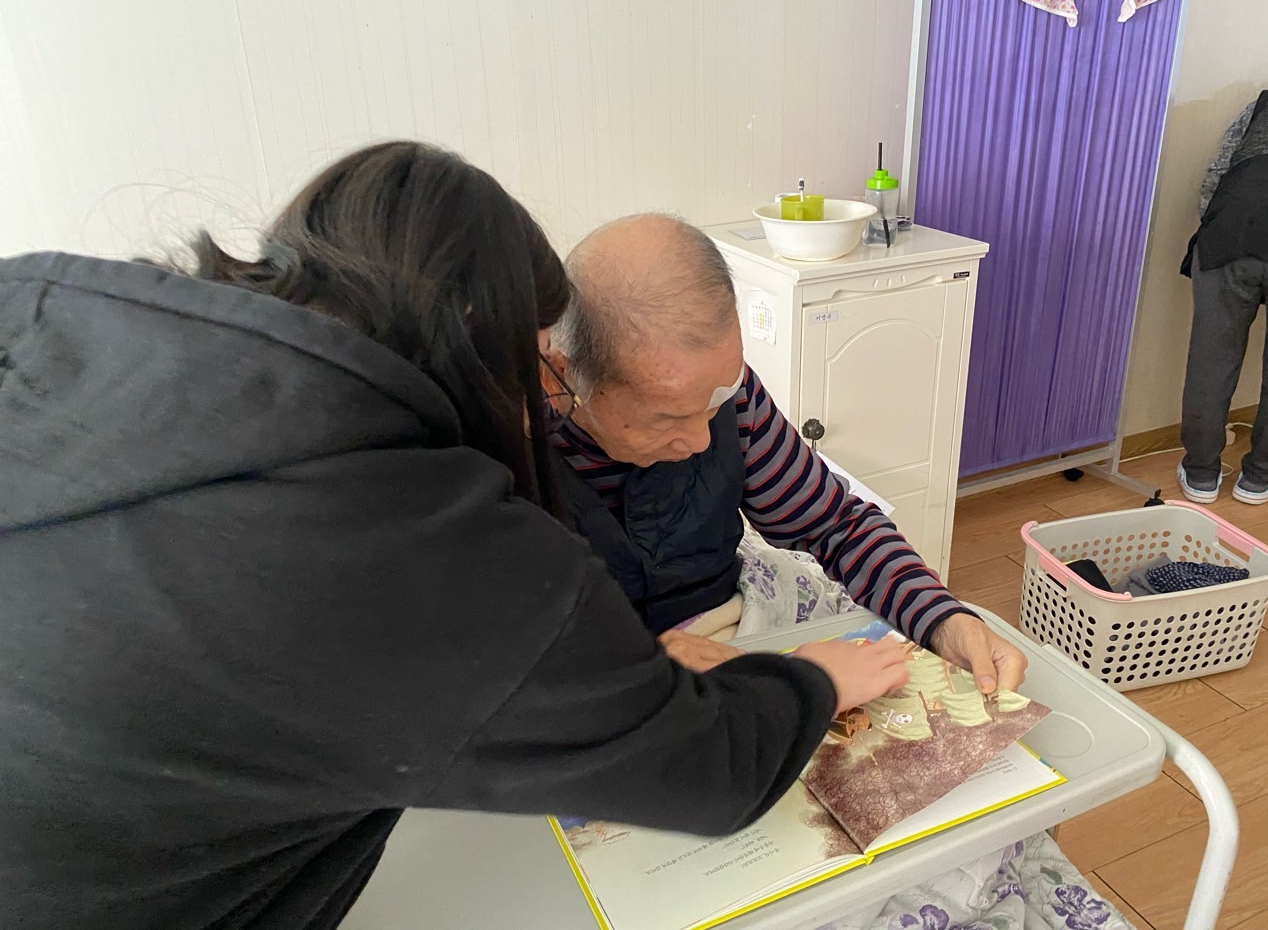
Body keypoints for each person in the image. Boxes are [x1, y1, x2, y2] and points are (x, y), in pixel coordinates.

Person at [0, 142, 911, 930]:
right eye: (533, 374)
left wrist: (930, 610)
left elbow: (829, 516)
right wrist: (784, 682)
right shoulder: (410, 531)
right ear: (544, 367)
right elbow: (701, 768)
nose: (703, 435)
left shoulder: (66, 335)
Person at [542, 214, 1028, 692]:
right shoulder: (515, 454)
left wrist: (942, 619)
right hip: (587, 682)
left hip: (727, 632)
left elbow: (835, 526)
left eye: (715, 402)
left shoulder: (729, 398)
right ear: (560, 377)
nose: (701, 442)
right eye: (666, 419)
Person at [1178, 88, 1268, 505]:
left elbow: (1215, 176)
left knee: (1211, 360)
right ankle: (1260, 478)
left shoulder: (1265, 103)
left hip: (1231, 234)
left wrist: (1222, 229)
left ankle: (1201, 474)